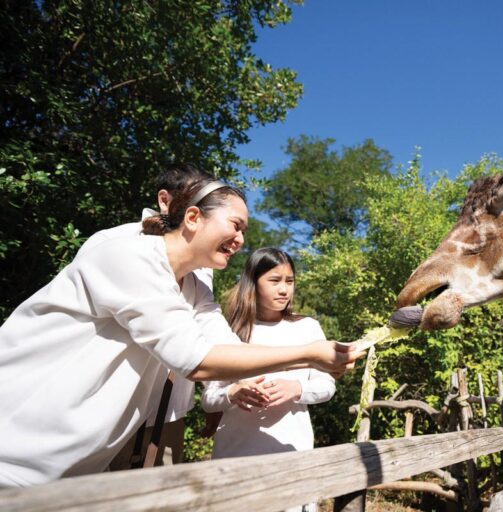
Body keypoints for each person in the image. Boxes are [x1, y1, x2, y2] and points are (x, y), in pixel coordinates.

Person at [0, 178, 364, 488]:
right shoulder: (129, 254)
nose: (239, 239)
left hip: (72, 472)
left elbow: (225, 347)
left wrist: (312, 367)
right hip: (17, 453)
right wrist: (308, 353)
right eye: (235, 225)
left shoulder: (194, 289)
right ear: (192, 217)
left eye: (244, 231)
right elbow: (197, 360)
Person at [76, 163, 215, 469]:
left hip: (167, 413)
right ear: (165, 200)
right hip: (106, 410)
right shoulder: (114, 243)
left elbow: (206, 329)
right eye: (197, 204)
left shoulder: (203, 268)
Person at [202, 248, 334, 512]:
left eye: (290, 281)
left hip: (291, 452)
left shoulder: (308, 327)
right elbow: (208, 400)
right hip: (235, 456)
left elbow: (327, 386)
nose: (284, 290)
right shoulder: (229, 332)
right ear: (253, 282)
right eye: (274, 281)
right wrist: (233, 393)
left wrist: (297, 388)